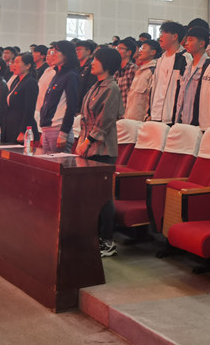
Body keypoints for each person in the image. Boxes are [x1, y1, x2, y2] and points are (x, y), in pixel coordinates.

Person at [75, 46, 123, 258]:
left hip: (102, 149)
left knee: (103, 197)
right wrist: (82, 141)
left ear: (107, 64)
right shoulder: (95, 86)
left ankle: (108, 241)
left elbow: (106, 120)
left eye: (96, 59)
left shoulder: (112, 88)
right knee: (89, 196)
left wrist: (87, 141)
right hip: (88, 147)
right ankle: (93, 236)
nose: (92, 62)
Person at [39, 41, 80, 153]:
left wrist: (64, 132)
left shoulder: (71, 75)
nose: (52, 55)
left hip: (58, 128)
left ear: (66, 54)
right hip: (47, 128)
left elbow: (71, 106)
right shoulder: (56, 74)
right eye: (51, 52)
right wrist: (43, 130)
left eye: (55, 52)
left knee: (59, 163)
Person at [148, 22, 189, 124]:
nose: (160, 36)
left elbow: (187, 90)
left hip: (173, 116)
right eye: (160, 33)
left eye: (164, 33)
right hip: (155, 114)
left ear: (175, 36)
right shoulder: (160, 59)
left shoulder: (184, 58)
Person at [175, 26, 210, 125]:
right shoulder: (189, 65)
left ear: (202, 44)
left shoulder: (207, 65)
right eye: (187, 40)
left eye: (190, 40)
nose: (186, 43)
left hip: (198, 120)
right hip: (183, 118)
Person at [6, 52, 39, 144]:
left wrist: (23, 131)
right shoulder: (16, 81)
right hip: (11, 125)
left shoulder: (30, 82)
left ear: (28, 66)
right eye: (13, 62)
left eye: (17, 62)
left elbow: (29, 109)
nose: (14, 65)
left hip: (22, 127)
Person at [126, 40, 158, 121]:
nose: (140, 51)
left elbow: (152, 97)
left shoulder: (154, 70)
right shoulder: (140, 70)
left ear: (153, 52)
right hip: (131, 117)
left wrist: (148, 117)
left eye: (143, 48)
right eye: (140, 48)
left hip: (142, 120)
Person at [113, 38, 137, 118]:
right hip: (114, 111)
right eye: (117, 48)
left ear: (129, 52)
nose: (117, 50)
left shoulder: (134, 69)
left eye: (120, 48)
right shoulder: (115, 69)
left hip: (127, 111)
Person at [76, 39, 97, 108]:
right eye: (76, 50)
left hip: (84, 104)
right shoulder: (76, 67)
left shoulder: (92, 66)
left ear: (88, 51)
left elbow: (90, 88)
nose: (77, 52)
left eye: (79, 49)